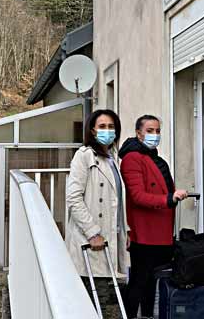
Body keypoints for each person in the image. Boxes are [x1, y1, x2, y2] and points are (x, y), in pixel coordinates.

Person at [120, 114, 188, 317]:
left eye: (158, 131)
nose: (155, 135)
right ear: (138, 133)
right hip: (145, 234)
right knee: (139, 282)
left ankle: (148, 315)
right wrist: (169, 199)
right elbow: (138, 196)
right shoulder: (133, 158)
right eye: (150, 131)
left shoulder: (154, 157)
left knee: (150, 281)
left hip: (160, 233)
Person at [65, 109, 130, 317]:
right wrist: (92, 232)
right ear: (92, 130)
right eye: (102, 127)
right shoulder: (84, 156)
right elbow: (74, 198)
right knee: (92, 298)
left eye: (111, 127)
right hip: (91, 240)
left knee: (102, 295)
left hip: (109, 236)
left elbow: (117, 202)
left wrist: (125, 232)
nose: (107, 131)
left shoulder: (113, 159)